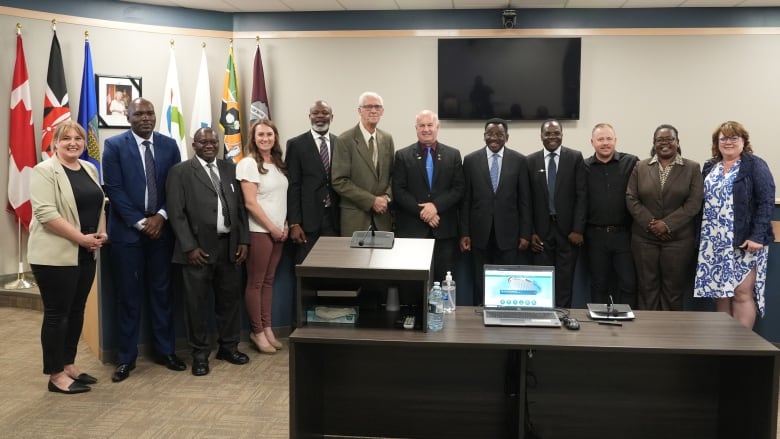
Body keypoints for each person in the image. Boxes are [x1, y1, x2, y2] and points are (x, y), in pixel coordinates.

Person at [103, 97, 186, 382]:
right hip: (127, 233)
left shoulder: (169, 145)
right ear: (128, 117)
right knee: (128, 296)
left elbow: (174, 187)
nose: (146, 118)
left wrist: (161, 216)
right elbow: (114, 189)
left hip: (162, 231)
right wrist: (141, 222)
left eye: (150, 113)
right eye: (139, 114)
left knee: (162, 294)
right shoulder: (114, 146)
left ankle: (166, 351)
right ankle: (126, 358)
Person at [28, 120, 107, 394]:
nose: (73, 143)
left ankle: (69, 364)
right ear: (55, 143)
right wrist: (81, 238)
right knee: (57, 315)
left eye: (78, 138)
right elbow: (46, 215)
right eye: (66, 139)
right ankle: (55, 374)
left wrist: (101, 234)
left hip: (85, 251)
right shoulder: (44, 171)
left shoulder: (89, 168)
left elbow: (100, 204)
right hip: (54, 255)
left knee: (76, 311)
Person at [166, 127, 250, 376]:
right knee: (196, 305)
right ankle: (200, 354)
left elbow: (241, 210)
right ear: (194, 145)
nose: (210, 145)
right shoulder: (180, 172)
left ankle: (228, 346)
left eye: (214, 141)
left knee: (229, 301)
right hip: (197, 250)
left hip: (229, 247)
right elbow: (176, 213)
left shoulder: (229, 168)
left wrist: (243, 241)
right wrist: (189, 246)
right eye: (204, 142)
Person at [694, 121, 775, 329]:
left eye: (734, 138)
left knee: (741, 293)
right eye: (724, 138)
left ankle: (742, 348)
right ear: (717, 143)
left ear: (743, 141)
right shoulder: (710, 167)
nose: (728, 142)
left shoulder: (755, 165)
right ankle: (725, 347)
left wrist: (757, 236)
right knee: (721, 293)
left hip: (745, 241)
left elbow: (766, 201)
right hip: (714, 242)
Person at [626, 124, 703, 311]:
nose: (665, 143)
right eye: (660, 140)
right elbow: (631, 197)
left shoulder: (692, 168)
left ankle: (670, 338)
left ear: (677, 142)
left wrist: (667, 225)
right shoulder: (640, 166)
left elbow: (693, 203)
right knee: (646, 289)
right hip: (644, 239)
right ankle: (647, 336)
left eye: (670, 139)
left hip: (678, 241)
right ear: (654, 143)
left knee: (673, 291)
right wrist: (652, 224)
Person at [460, 118, 532, 306]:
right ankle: (478, 318)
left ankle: (504, 315)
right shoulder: (470, 160)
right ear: (484, 136)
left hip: (509, 235)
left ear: (507, 137)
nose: (494, 138)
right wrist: (465, 233)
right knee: (479, 280)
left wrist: (525, 234)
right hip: (479, 234)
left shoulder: (519, 160)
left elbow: (524, 201)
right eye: (490, 134)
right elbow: (466, 200)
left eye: (499, 134)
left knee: (506, 280)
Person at [393, 110, 464, 283]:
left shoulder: (453, 155)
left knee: (443, 280)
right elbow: (399, 191)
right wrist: (424, 212)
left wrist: (435, 207)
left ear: (437, 127)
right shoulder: (402, 156)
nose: (426, 129)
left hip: (444, 229)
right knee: (413, 280)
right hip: (413, 229)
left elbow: (459, 188)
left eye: (430, 125)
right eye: (422, 125)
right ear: (416, 128)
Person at [237, 119, 288, 354]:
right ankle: (257, 331)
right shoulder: (248, 164)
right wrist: (272, 228)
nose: (265, 138)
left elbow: (279, 199)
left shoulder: (277, 163)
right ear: (253, 138)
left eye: (269, 134)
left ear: (275, 137)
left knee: (268, 282)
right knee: (256, 283)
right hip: (259, 231)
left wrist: (284, 225)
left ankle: (268, 328)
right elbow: (251, 203)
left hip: (278, 232)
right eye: (260, 135)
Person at [527, 119, 586, 308]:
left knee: (564, 282)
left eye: (556, 133)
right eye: (548, 134)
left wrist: (578, 229)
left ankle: (563, 319)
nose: (552, 137)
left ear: (562, 134)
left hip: (568, 233)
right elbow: (526, 201)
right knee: (540, 282)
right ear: (541, 137)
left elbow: (582, 196)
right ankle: (541, 320)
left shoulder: (575, 158)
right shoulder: (530, 161)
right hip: (541, 233)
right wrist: (531, 231)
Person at [583, 123, 639, 306]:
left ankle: (627, 326)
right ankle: (599, 327)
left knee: (628, 283)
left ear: (615, 140)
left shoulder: (631, 162)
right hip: (595, 236)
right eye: (600, 139)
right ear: (592, 142)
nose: (605, 143)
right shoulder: (583, 167)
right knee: (599, 285)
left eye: (609, 138)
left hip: (624, 234)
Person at [332, 91, 394, 236]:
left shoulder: (387, 138)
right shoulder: (345, 140)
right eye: (368, 107)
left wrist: (386, 197)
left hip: (382, 218)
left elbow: (393, 175)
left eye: (377, 107)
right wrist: (371, 201)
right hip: (355, 218)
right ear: (359, 111)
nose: (373, 110)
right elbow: (339, 181)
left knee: (382, 258)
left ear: (382, 111)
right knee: (354, 259)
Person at [286, 100, 340, 264]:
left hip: (334, 218)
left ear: (332, 116)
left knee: (333, 267)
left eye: (324, 113)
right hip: (307, 221)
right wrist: (294, 223)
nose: (320, 117)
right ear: (309, 116)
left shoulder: (341, 143)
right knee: (306, 269)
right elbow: (293, 185)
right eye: (316, 113)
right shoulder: (296, 144)